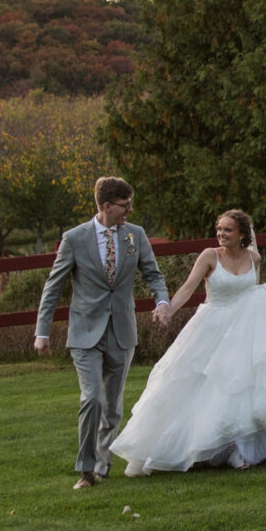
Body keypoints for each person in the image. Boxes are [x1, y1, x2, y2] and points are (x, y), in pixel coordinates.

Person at [109, 208, 266, 474]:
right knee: (203, 388)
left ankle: (243, 450)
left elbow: (253, 294)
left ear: (242, 234)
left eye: (228, 230)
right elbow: (188, 287)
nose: (221, 234)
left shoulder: (254, 258)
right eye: (219, 229)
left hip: (246, 331)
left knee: (243, 390)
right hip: (212, 326)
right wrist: (167, 309)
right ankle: (195, 447)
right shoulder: (210, 256)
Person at [34, 176, 170, 490]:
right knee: (92, 399)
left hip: (122, 332)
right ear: (106, 206)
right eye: (125, 205)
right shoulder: (75, 238)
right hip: (84, 333)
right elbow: (53, 288)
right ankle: (85, 470)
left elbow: (153, 273)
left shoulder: (135, 235)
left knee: (112, 407)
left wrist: (162, 301)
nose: (130, 210)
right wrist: (42, 331)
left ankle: (102, 464)